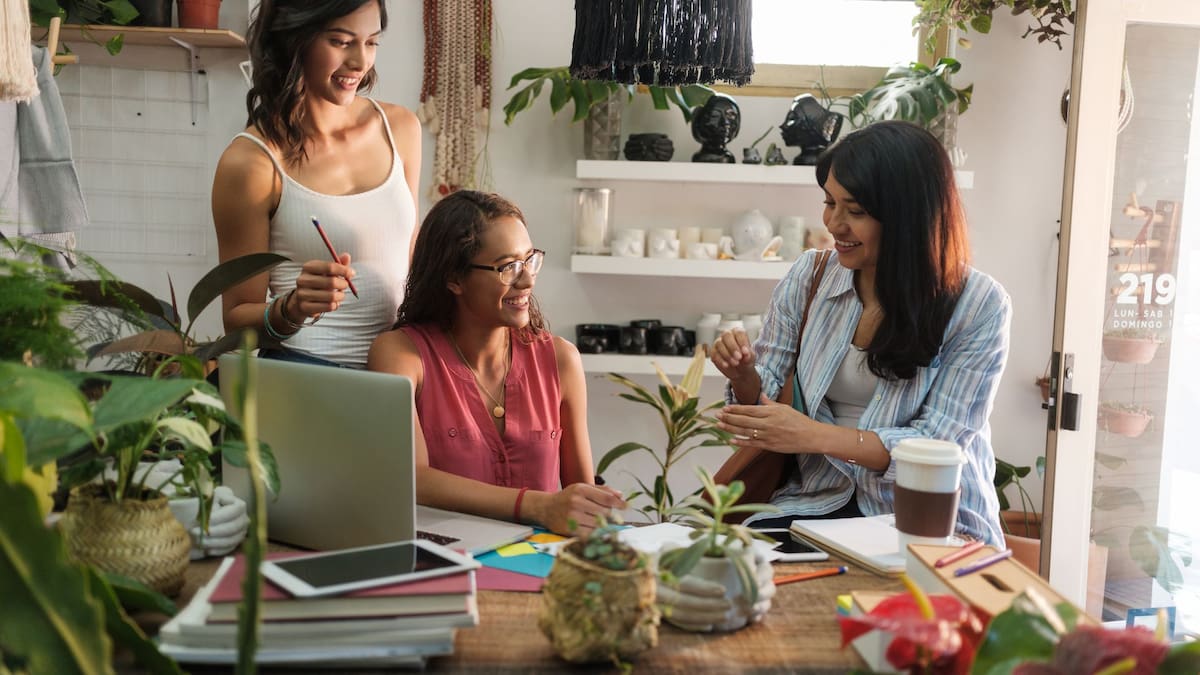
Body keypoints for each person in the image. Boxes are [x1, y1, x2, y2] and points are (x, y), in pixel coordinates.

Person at [711, 121, 1009, 547]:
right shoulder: (809, 277)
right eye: (829, 203)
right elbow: (763, 404)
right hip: (815, 504)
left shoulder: (978, 304)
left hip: (929, 518)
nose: (834, 223)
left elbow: (940, 444)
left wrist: (813, 435)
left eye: (856, 212)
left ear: (909, 217)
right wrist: (743, 377)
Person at [368, 190, 626, 536]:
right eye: (508, 267)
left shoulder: (561, 360)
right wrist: (537, 505)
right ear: (454, 278)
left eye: (530, 260)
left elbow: (580, 497)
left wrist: (598, 508)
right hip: (444, 559)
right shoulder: (400, 355)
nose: (527, 280)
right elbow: (412, 479)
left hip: (541, 563)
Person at [212, 0, 420, 369]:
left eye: (371, 42)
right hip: (305, 370)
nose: (360, 61)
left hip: (400, 369)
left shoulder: (400, 128)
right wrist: (291, 308)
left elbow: (411, 263)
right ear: (296, 39)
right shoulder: (252, 163)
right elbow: (236, 324)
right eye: (341, 42)